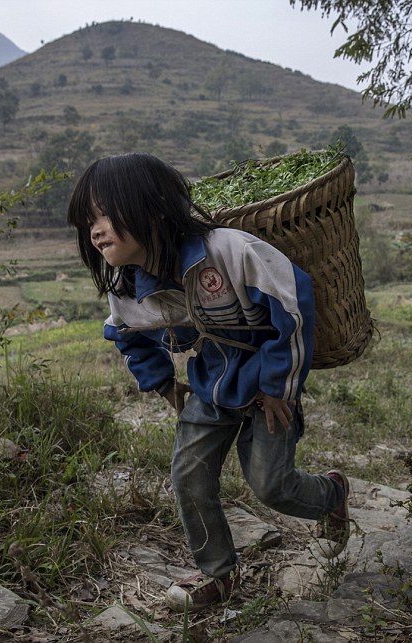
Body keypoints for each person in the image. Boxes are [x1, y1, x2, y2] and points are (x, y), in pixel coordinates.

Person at [67, 153, 351, 612]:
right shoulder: (128, 289)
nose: (96, 230)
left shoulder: (228, 251)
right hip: (209, 387)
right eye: (88, 222)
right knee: (189, 476)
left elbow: (292, 303)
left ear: (154, 207)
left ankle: (333, 494)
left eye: (104, 214)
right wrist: (163, 385)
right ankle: (217, 574)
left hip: (266, 386)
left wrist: (279, 386)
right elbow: (125, 335)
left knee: (270, 485)